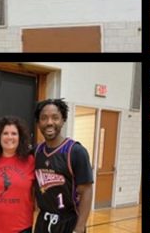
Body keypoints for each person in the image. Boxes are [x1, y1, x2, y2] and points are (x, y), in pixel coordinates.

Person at [33, 98, 93, 233]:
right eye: (44, 118)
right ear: (38, 123)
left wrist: (79, 227)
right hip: (43, 220)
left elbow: (86, 191)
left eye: (55, 118)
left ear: (63, 120)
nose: (49, 122)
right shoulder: (36, 151)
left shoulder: (76, 151)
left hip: (69, 222)